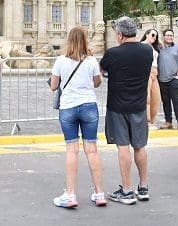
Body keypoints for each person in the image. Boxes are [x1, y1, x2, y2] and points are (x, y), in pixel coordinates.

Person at [50, 26, 106, 208]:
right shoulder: (91, 61)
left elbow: (53, 85)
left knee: (71, 150)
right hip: (89, 105)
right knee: (92, 150)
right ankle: (99, 193)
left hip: (68, 107)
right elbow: (97, 82)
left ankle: (70, 194)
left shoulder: (60, 60)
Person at [99, 16, 152, 205]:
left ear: (120, 34)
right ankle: (143, 187)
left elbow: (101, 71)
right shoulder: (147, 50)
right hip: (138, 106)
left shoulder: (113, 53)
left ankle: (127, 190)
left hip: (118, 106)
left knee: (123, 146)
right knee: (140, 146)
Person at [157, 29, 178, 130]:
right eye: (167, 35)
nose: (169, 37)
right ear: (163, 37)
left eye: (171, 35)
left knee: (176, 101)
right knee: (165, 102)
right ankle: (168, 122)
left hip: (174, 79)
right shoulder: (159, 48)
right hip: (161, 80)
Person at [140, 29, 161, 128]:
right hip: (146, 72)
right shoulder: (142, 45)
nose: (154, 37)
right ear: (146, 35)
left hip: (154, 72)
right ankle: (147, 121)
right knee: (147, 98)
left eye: (156, 36)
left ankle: (152, 120)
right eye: (152, 35)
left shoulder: (154, 47)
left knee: (156, 97)